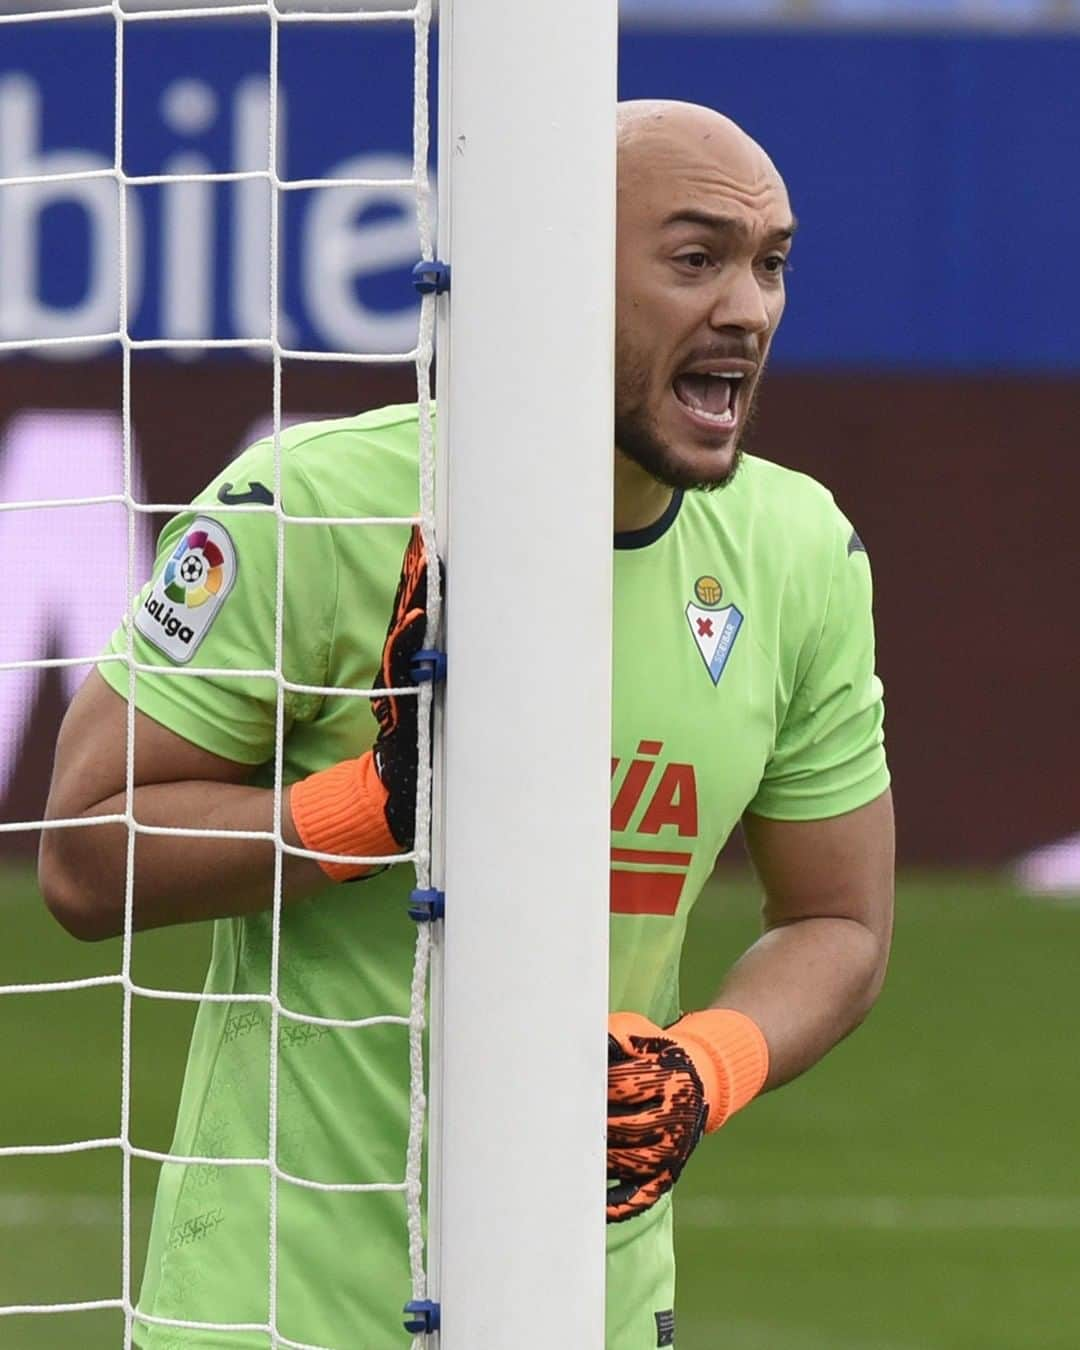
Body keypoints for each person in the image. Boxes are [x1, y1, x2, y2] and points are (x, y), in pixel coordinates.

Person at [39, 100, 894, 1350]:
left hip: (582, 1309)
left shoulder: (799, 553)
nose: (751, 309)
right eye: (697, 257)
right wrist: (373, 808)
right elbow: (80, 856)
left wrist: (705, 1067)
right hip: (273, 1310)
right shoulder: (315, 508)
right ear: (547, 264)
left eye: (771, 263)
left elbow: (839, 921)